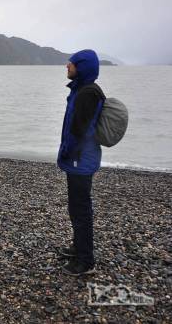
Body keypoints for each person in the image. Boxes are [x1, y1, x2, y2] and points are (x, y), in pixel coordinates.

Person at [57, 49, 105, 276]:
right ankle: (78, 247)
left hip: (80, 159)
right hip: (80, 158)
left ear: (82, 67)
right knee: (76, 206)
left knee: (80, 208)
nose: (67, 66)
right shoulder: (82, 90)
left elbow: (78, 130)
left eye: (72, 64)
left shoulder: (87, 93)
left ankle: (85, 261)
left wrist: (67, 151)